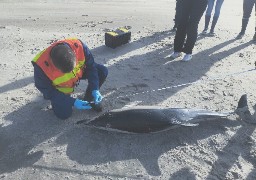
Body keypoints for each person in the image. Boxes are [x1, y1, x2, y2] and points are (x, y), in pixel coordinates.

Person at [32, 38, 108, 120]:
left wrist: (95, 88)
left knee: (102, 71)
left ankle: (89, 97)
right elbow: (49, 92)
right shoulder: (41, 68)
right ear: (54, 65)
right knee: (64, 115)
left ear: (74, 54)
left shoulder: (79, 46)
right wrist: (72, 102)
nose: (71, 73)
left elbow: (91, 67)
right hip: (60, 88)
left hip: (80, 73)